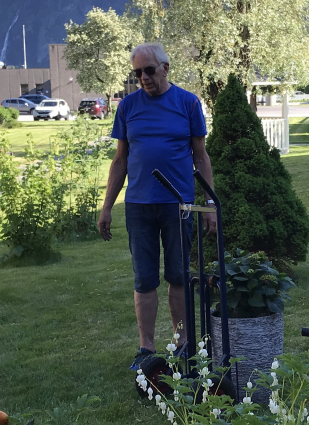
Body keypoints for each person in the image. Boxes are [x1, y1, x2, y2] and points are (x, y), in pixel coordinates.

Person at [97, 42, 217, 371]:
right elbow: (120, 160)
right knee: (144, 280)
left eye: (149, 70)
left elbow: (200, 156)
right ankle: (146, 349)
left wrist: (209, 204)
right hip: (138, 205)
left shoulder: (188, 103)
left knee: (178, 277)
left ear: (165, 68)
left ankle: (182, 344)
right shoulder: (128, 107)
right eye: (137, 73)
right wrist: (107, 206)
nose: (143, 78)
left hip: (177, 205)